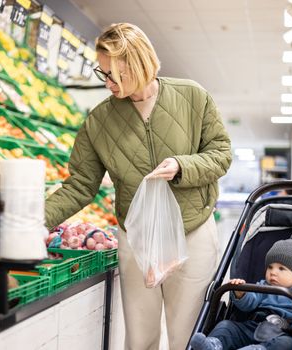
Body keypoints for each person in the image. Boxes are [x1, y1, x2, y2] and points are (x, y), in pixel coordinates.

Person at [44, 23, 232, 350]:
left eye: (115, 73)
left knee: (188, 337)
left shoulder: (192, 96)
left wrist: (182, 165)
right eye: (103, 72)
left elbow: (221, 154)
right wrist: (33, 219)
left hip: (193, 233)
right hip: (137, 237)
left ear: (140, 63)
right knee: (140, 338)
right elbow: (79, 186)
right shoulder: (99, 121)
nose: (108, 82)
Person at [190, 233, 292, 350]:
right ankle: (214, 345)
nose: (273, 273)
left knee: (286, 345)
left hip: (284, 333)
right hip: (253, 326)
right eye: (270, 267)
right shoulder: (263, 286)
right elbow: (250, 303)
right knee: (226, 326)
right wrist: (240, 293)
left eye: (281, 269)